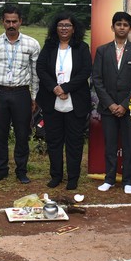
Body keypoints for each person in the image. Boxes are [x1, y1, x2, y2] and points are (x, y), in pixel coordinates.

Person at [0, 5, 40, 184]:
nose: (11, 25)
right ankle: (1, 170)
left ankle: (21, 171)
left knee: (23, 133)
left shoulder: (32, 44)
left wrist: (34, 96)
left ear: (20, 21)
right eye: (8, 21)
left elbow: (36, 73)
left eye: (14, 21)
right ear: (2, 22)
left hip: (21, 93)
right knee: (0, 134)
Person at [36, 12, 92, 191]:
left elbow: (85, 71)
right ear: (55, 28)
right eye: (61, 25)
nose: (64, 28)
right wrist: (55, 88)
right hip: (52, 100)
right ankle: (56, 175)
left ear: (74, 28)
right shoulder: (49, 46)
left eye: (67, 25)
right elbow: (41, 68)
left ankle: (73, 178)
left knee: (74, 142)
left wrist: (66, 88)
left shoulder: (82, 47)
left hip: (75, 101)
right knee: (54, 141)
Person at [92, 11, 131, 194]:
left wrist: (124, 104)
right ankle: (109, 178)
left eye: (125, 25)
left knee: (130, 145)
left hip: (128, 108)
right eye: (118, 24)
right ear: (113, 27)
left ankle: (129, 180)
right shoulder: (102, 50)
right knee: (111, 144)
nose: (122, 27)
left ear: (130, 28)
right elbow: (97, 80)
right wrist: (110, 104)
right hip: (108, 108)